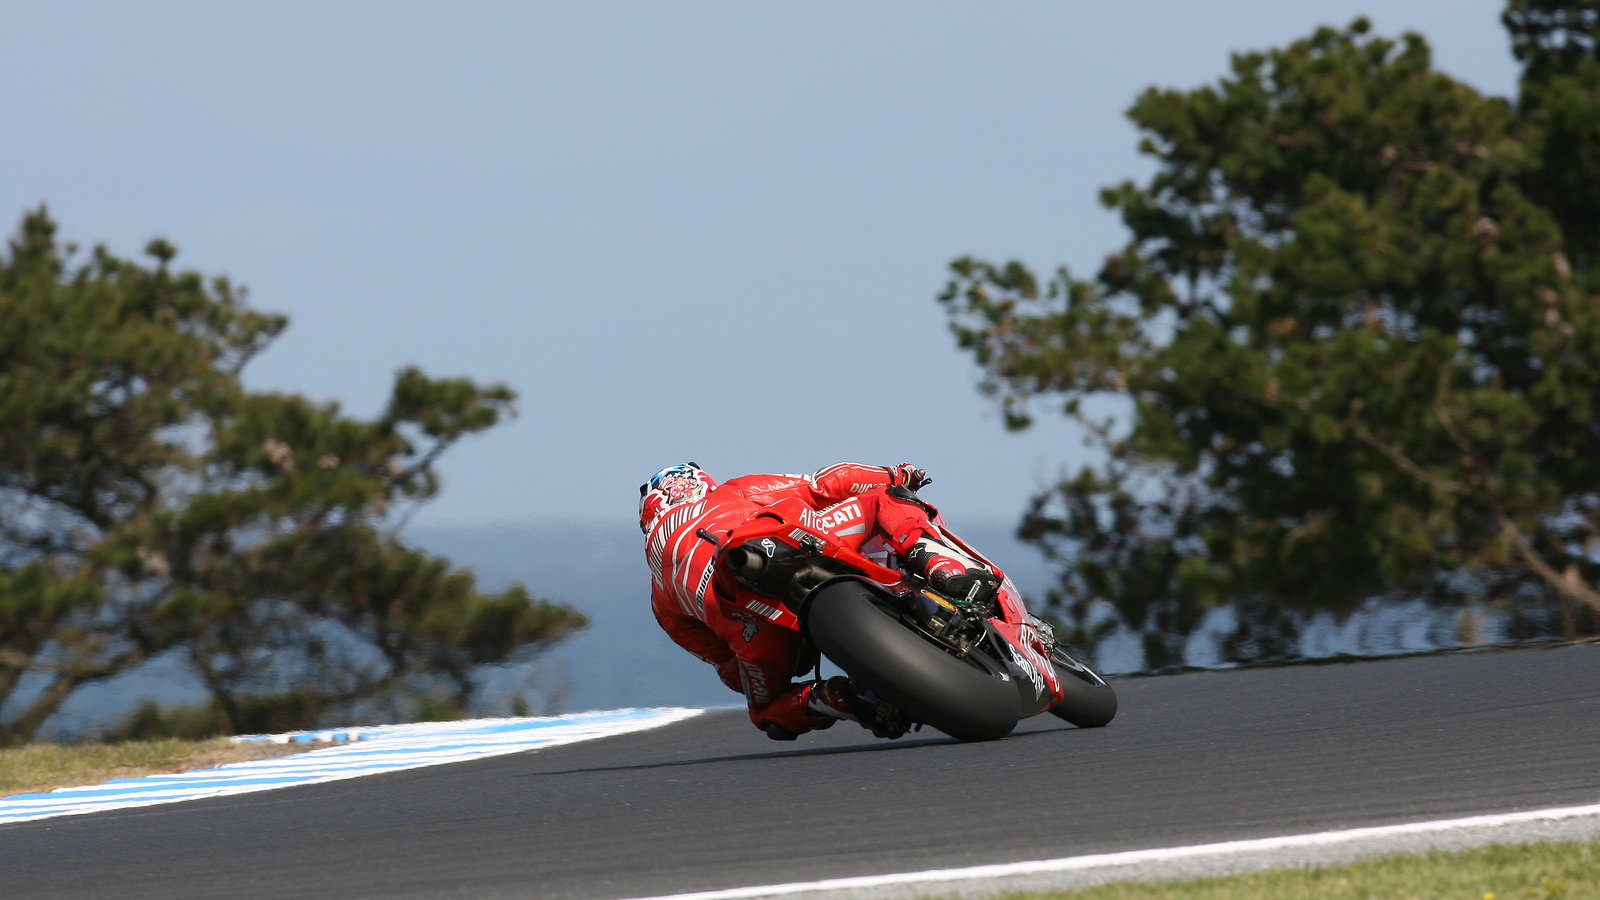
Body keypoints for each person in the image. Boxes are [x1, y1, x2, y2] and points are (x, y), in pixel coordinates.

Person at [639, 461, 999, 741]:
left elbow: (727, 668)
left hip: (754, 624)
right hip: (795, 543)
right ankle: (942, 567)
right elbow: (825, 484)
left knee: (767, 711)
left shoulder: (660, 596)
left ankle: (844, 700)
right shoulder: (731, 492)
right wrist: (895, 473)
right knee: (881, 500)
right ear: (701, 484)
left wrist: (763, 654)